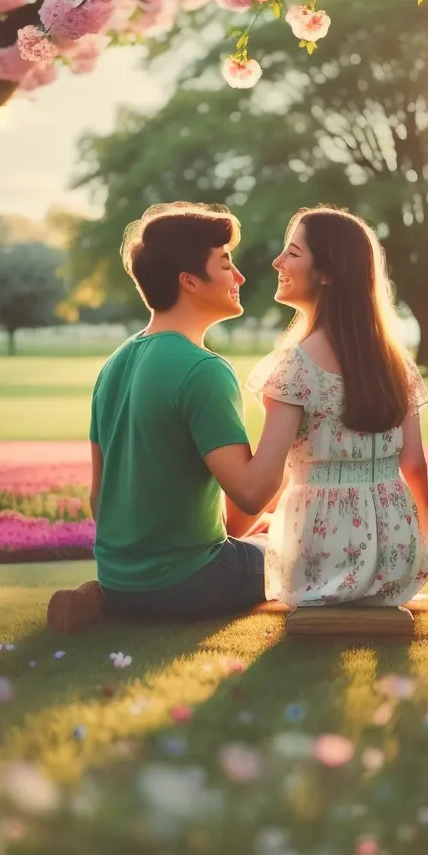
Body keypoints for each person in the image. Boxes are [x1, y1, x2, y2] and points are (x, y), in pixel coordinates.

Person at [47, 202, 290, 633]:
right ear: (190, 281)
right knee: (304, 542)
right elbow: (251, 494)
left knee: (263, 534)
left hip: (118, 579)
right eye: (226, 264)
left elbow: (99, 500)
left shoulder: (114, 364)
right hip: (192, 582)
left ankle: (105, 603)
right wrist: (287, 418)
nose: (240, 278)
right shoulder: (204, 369)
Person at [245, 206, 428, 608]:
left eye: (292, 253)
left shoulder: (293, 367)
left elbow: (268, 473)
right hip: (397, 559)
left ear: (328, 272)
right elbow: (414, 463)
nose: (278, 261)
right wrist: (420, 538)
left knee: (248, 547)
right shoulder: (395, 363)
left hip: (320, 559)